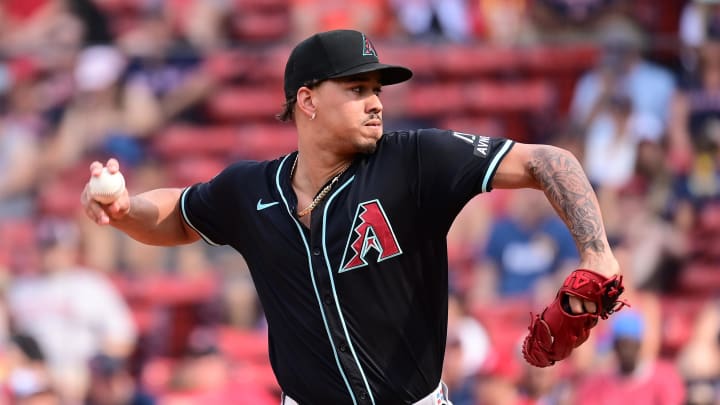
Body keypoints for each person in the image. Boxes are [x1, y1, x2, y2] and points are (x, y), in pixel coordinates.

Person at [81, 29, 621, 404]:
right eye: (357, 89)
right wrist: (126, 211)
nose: (376, 103)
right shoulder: (253, 188)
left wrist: (597, 255)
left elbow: (551, 160)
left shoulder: (413, 160)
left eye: (377, 90)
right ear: (308, 101)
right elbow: (178, 213)